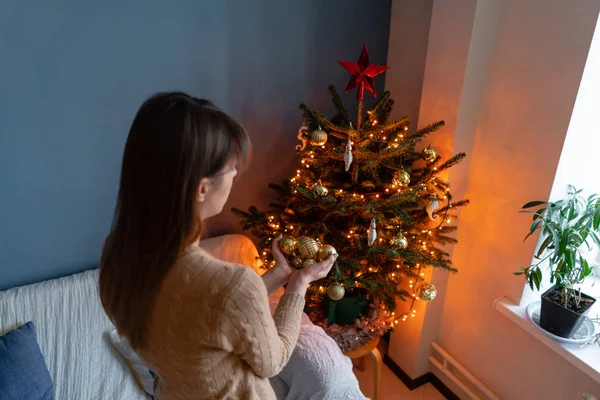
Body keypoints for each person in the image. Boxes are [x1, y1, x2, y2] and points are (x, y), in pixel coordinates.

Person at [98, 92, 337, 400]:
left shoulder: (117, 259)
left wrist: (280, 274)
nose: (236, 174)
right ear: (201, 188)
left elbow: (212, 316)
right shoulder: (232, 284)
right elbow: (272, 361)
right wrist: (299, 284)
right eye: (230, 168)